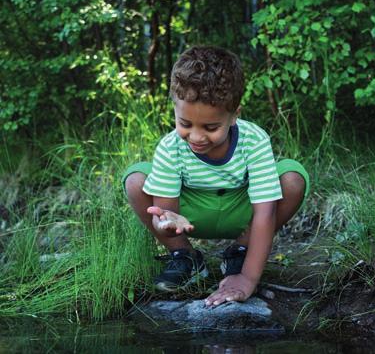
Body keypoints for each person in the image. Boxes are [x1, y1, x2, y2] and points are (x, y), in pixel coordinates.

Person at [123, 45, 310, 307]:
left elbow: (265, 213)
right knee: (135, 181)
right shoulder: (170, 147)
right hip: (191, 214)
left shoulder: (254, 140)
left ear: (234, 115)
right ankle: (185, 257)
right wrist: (164, 224)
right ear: (175, 110)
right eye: (185, 124)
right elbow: (163, 216)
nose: (197, 137)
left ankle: (241, 253)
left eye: (211, 127)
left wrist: (247, 279)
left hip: (243, 212)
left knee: (292, 178)